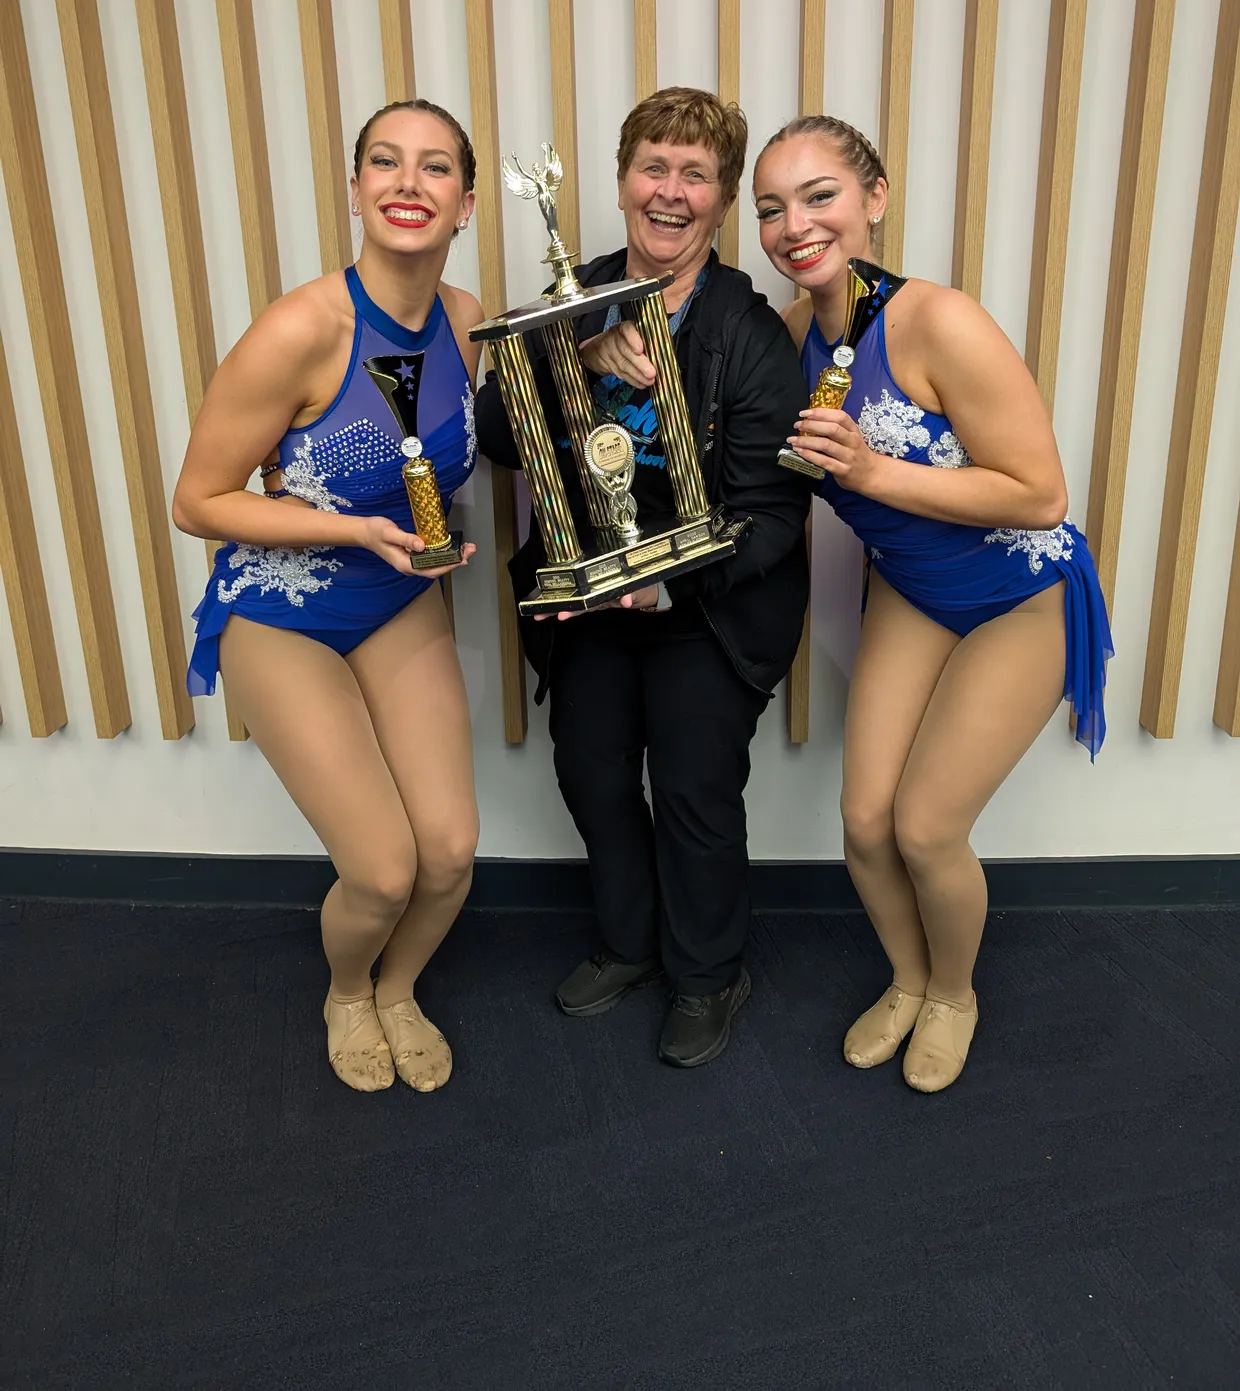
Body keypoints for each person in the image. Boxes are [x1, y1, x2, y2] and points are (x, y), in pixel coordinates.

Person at [753, 115, 1112, 1093]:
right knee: (864, 821)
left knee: (924, 827)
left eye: (819, 195)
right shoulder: (787, 337)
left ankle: (954, 993)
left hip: (1017, 592)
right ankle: (908, 978)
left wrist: (870, 471)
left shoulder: (939, 320)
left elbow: (1041, 494)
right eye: (771, 209)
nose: (794, 226)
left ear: (873, 198)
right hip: (913, 593)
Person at [476, 87, 810, 1068]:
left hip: (706, 606)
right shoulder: (569, 297)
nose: (670, 191)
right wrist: (578, 358)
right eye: (653, 167)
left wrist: (671, 585)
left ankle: (707, 973)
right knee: (590, 770)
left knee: (695, 786)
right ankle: (629, 943)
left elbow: (775, 511)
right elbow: (495, 434)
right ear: (623, 181)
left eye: (695, 175)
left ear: (722, 200)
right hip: (590, 600)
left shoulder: (747, 331)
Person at [173, 100, 483, 1095]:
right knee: (383, 869)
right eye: (385, 162)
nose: (408, 182)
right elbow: (196, 500)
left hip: (398, 599)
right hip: (284, 609)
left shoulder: (466, 320)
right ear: (356, 191)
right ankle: (349, 991)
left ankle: (400, 988)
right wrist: (352, 530)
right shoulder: (300, 329)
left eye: (434, 167)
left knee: (449, 855)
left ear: (465, 204)